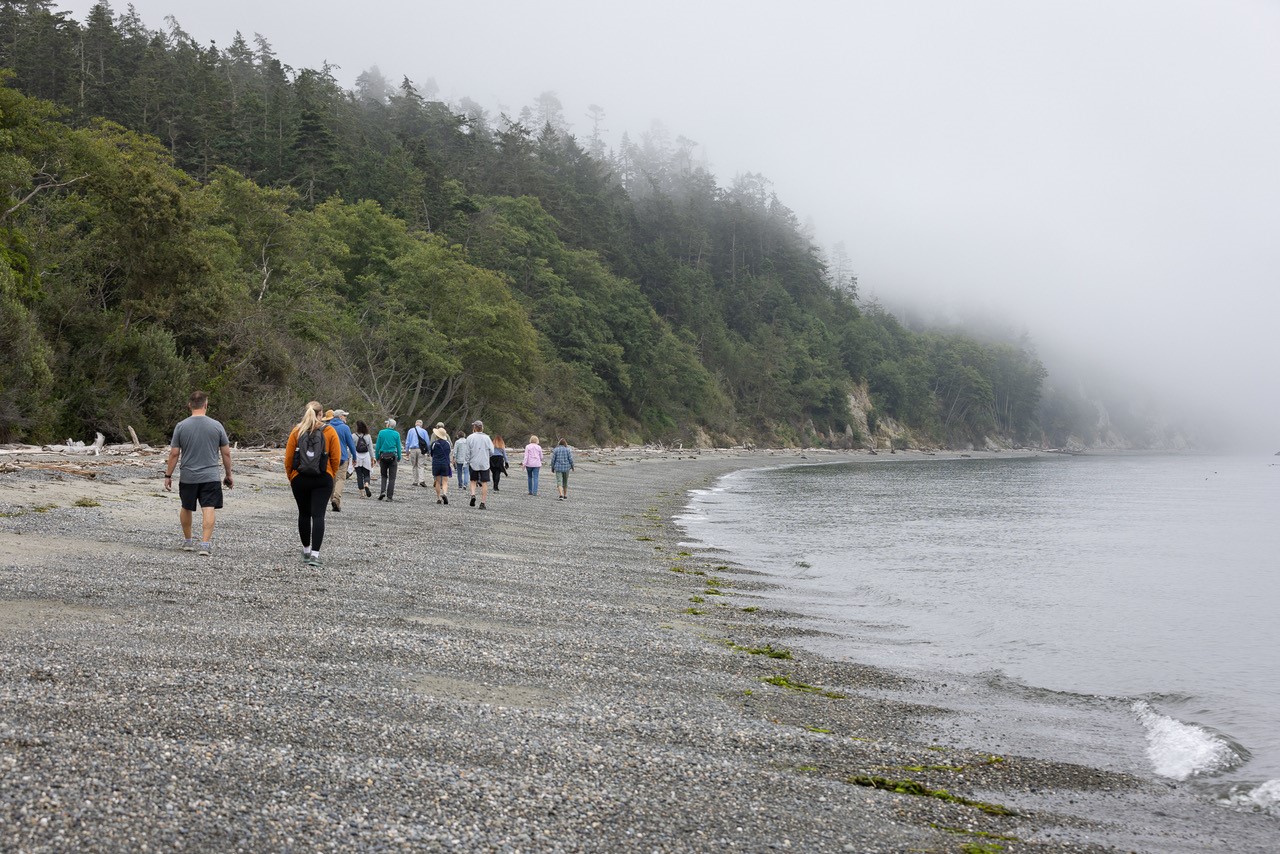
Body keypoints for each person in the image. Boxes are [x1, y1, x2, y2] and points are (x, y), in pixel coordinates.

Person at [164, 389, 233, 556]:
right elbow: (226, 453)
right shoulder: (217, 426)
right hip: (210, 476)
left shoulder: (181, 426)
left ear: (189, 405)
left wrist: (168, 475)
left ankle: (188, 541)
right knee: (208, 507)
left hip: (188, 475)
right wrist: (228, 474)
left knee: (186, 507)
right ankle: (205, 544)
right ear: (206, 404)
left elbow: (174, 453)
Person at [284, 401, 341, 567]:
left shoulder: (297, 430)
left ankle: (306, 551)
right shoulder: (329, 431)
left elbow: (288, 458)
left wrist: (291, 476)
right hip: (323, 478)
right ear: (321, 414)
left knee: (303, 514)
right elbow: (336, 458)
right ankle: (315, 555)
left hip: (299, 478)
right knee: (318, 515)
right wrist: (331, 474)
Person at [327, 409, 357, 512]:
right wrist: (354, 457)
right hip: (342, 457)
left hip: (329, 457)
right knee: (341, 479)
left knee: (332, 479)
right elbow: (351, 444)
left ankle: (333, 500)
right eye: (344, 416)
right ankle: (336, 498)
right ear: (340, 417)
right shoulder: (345, 428)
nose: (346, 417)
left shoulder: (327, 427)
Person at [465, 420, 495, 509]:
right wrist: (487, 455)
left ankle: (473, 494)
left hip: (473, 461)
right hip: (484, 462)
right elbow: (492, 451)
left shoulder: (470, 437)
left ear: (474, 428)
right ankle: (483, 502)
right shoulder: (487, 438)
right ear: (482, 428)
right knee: (484, 482)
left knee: (473, 480)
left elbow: (467, 452)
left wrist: (467, 461)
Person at [375, 418, 403, 501]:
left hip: (383, 456)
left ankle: (382, 491)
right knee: (392, 477)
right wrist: (399, 457)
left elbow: (377, 446)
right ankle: (389, 496)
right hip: (392, 456)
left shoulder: (381, 432)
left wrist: (377, 457)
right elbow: (398, 447)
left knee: (383, 475)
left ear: (388, 424)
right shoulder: (396, 434)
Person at [427, 423, 452, 504]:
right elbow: (449, 452)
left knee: (437, 481)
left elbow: (432, 453)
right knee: (445, 481)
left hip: (436, 463)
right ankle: (444, 493)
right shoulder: (448, 443)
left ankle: (438, 498)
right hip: (445, 463)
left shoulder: (434, 444)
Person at [352, 419, 375, 498]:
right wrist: (373, 458)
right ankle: (366, 484)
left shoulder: (354, 436)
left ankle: (362, 494)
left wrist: (350, 458)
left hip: (357, 456)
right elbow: (371, 448)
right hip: (366, 457)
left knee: (359, 475)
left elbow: (351, 448)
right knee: (366, 474)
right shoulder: (368, 436)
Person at [406, 419, 431, 487]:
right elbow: (427, 442)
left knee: (414, 466)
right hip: (421, 450)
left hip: (413, 449)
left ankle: (415, 481)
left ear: (415, 424)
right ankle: (422, 480)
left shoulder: (410, 431)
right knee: (421, 465)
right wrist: (428, 451)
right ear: (421, 425)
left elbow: (407, 441)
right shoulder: (424, 431)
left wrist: (407, 450)